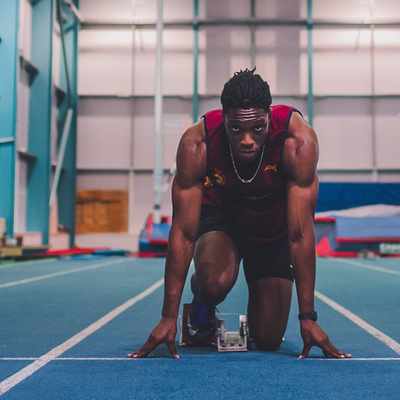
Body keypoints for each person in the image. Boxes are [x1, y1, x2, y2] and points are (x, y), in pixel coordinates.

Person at [129, 68, 351, 360]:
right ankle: (200, 306)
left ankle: (261, 300)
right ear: (224, 119)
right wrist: (168, 316)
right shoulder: (197, 143)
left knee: (269, 338)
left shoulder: (297, 143)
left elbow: (300, 233)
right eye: (236, 130)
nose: (247, 140)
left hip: (272, 229)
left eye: (257, 129)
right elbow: (183, 232)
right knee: (214, 280)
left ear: (269, 117)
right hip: (223, 220)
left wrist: (308, 317)